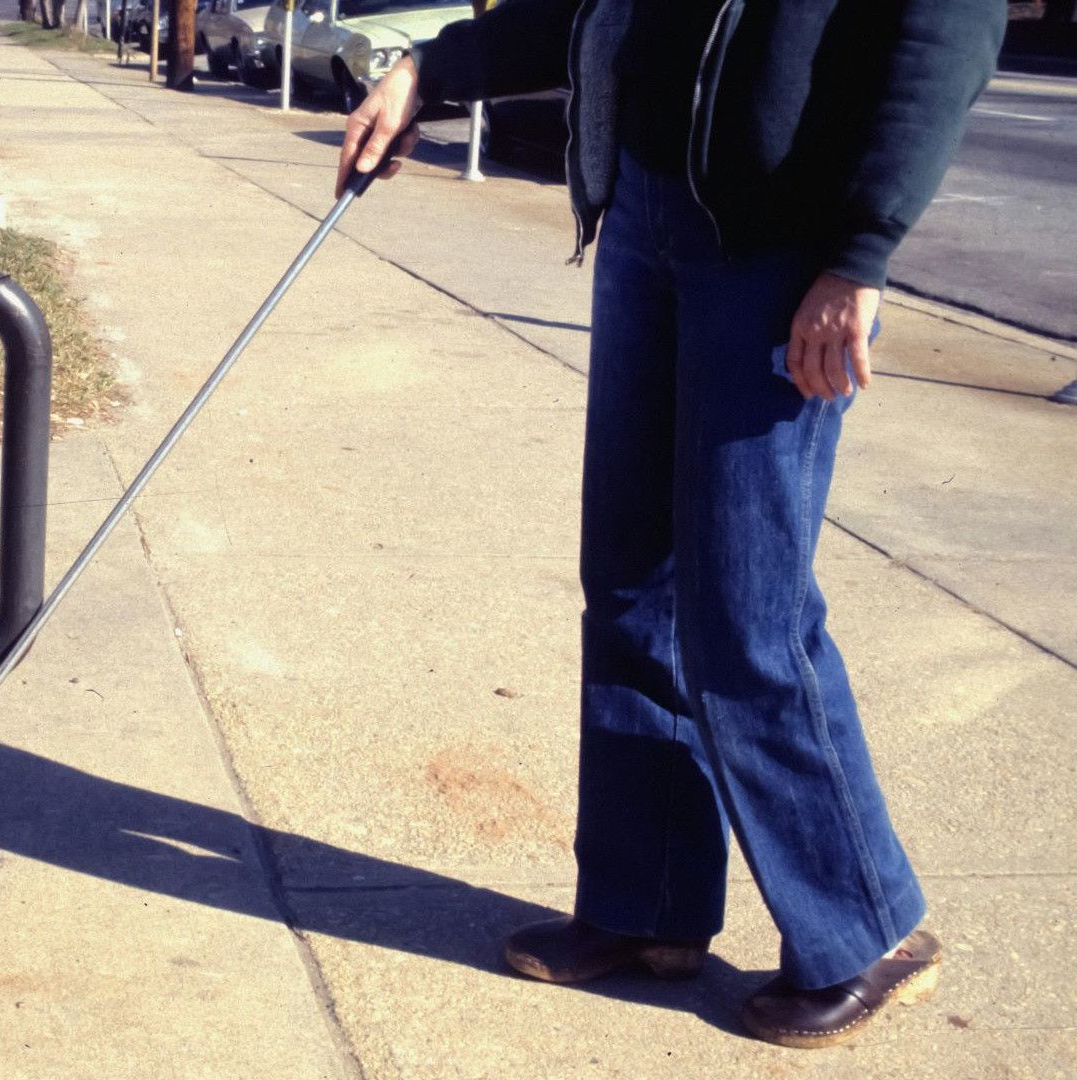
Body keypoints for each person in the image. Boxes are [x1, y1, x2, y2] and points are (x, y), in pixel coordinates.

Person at [334, 0, 1004, 1050]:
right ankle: (645, 906)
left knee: (748, 610)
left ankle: (868, 929)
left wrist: (859, 257)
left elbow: (941, 39)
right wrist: (433, 67)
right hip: (648, 214)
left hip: (781, 252)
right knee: (632, 583)